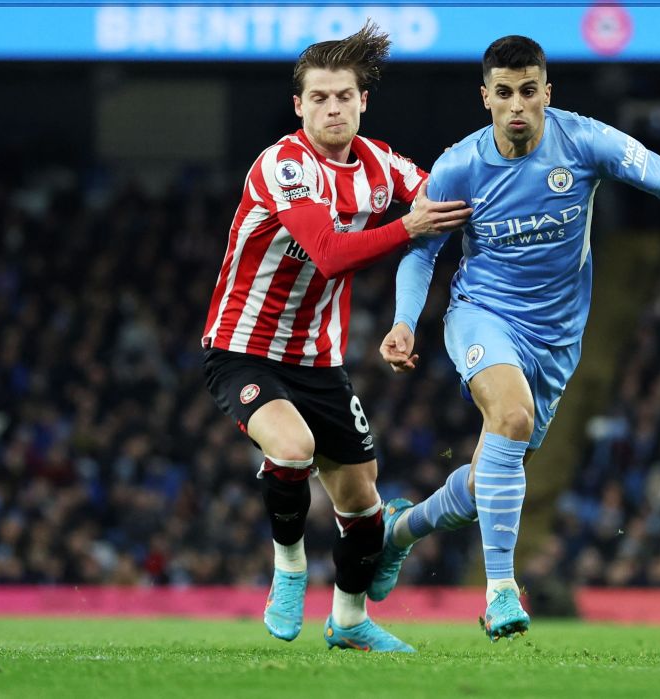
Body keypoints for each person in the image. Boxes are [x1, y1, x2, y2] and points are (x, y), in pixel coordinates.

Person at [373, 35, 660, 641]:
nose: (516, 106)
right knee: (510, 415)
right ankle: (502, 591)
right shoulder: (459, 166)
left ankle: (399, 530)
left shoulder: (583, 141)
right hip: (482, 315)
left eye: (528, 91)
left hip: (557, 341)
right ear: (485, 97)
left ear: (546, 93)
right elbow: (421, 253)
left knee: (489, 482)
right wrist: (404, 321)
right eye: (503, 93)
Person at [201, 21, 471, 653]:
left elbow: (445, 201)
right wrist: (408, 226)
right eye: (319, 98)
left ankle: (349, 622)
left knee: (363, 501)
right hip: (242, 348)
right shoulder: (284, 165)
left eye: (343, 97)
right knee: (291, 447)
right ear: (299, 105)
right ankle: (289, 569)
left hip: (318, 361)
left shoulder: (382, 164)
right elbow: (326, 253)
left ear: (362, 101)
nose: (332, 108)